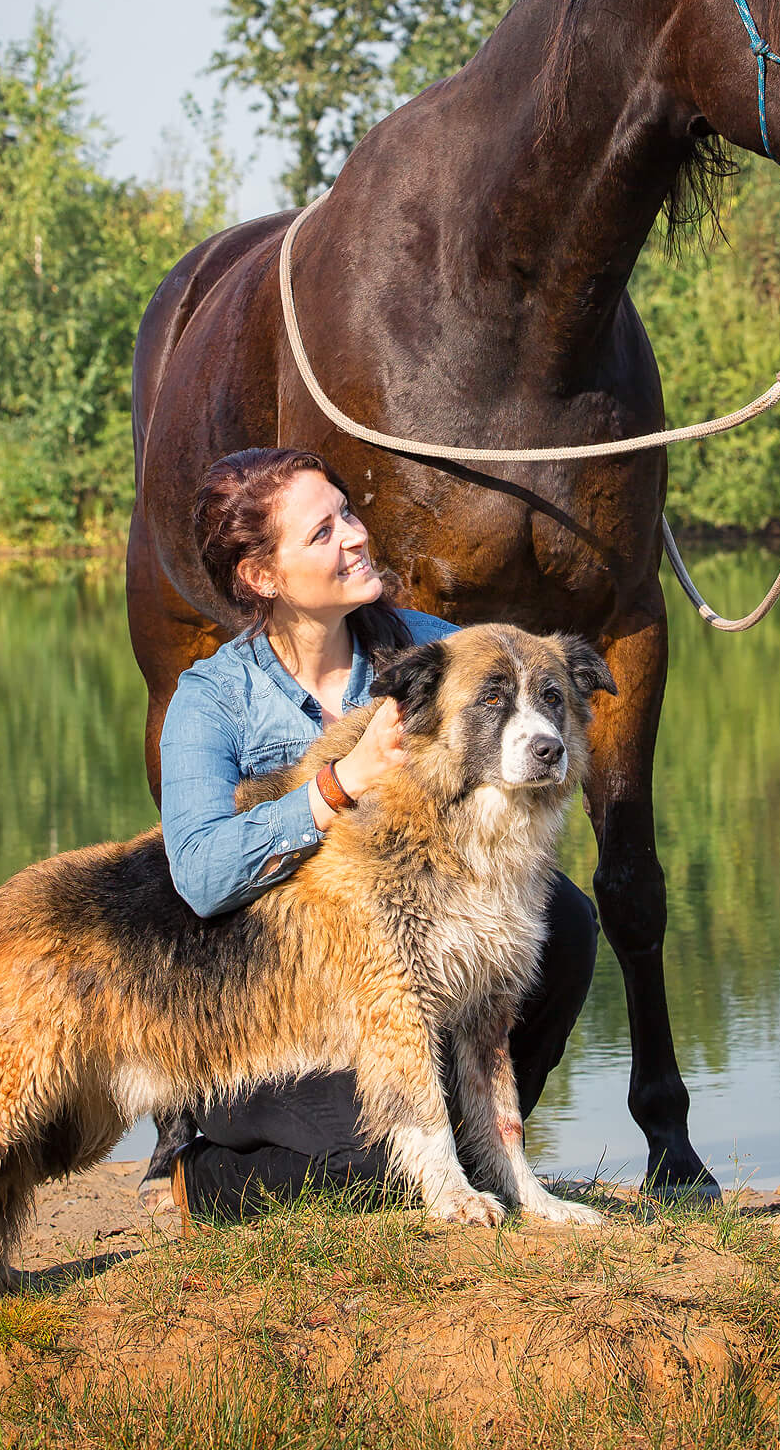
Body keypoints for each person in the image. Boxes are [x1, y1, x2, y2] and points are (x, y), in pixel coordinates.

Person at [144, 445, 598, 1225]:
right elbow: (201, 874)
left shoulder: (438, 647)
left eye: (348, 512)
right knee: (381, 1164)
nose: (355, 536)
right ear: (262, 576)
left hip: (410, 958)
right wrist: (338, 783)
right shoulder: (213, 698)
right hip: (280, 997)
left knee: (568, 921)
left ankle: (479, 1143)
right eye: (322, 533)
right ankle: (206, 1179)